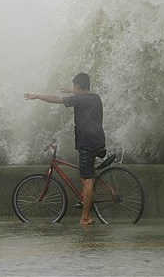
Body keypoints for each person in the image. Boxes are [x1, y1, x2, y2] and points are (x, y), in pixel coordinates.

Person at [24, 72, 106, 226]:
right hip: (99, 142)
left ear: (79, 87)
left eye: (74, 86)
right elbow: (81, 94)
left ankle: (85, 218)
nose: (73, 89)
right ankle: (86, 201)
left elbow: (56, 99)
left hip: (87, 144)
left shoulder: (79, 100)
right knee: (88, 174)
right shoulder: (95, 97)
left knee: (86, 180)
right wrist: (71, 90)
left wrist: (37, 96)